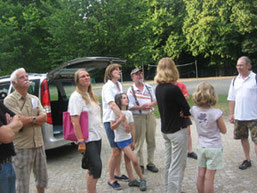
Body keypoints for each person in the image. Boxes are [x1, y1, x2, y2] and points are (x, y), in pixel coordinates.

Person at [4, 68, 48, 193]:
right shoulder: (9, 101)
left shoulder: (34, 98)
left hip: (38, 144)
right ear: (14, 83)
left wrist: (28, 120)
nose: (26, 79)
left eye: (26, 76)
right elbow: (18, 122)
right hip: (22, 146)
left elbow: (44, 117)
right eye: (22, 77)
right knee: (22, 183)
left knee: (42, 179)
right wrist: (35, 119)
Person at [154, 57, 190, 193]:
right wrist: (182, 110)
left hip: (166, 130)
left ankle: (170, 188)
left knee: (169, 163)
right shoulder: (174, 89)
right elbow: (186, 109)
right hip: (177, 131)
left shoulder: (158, 88)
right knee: (178, 165)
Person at [68, 69, 102, 193]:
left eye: (87, 75)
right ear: (77, 81)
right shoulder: (76, 97)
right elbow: (75, 122)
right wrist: (81, 141)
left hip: (97, 136)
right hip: (87, 139)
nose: (87, 77)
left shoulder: (90, 94)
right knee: (97, 168)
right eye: (83, 76)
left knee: (91, 167)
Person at [190, 82, 227, 193]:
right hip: (214, 147)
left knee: (201, 174)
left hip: (201, 147)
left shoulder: (194, 110)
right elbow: (224, 131)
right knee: (209, 177)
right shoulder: (216, 113)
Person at [110, 93, 147, 191]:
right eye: (123, 98)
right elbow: (112, 127)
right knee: (134, 160)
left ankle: (132, 180)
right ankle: (142, 178)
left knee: (128, 161)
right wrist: (120, 120)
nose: (126, 99)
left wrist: (133, 141)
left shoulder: (129, 113)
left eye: (126, 97)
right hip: (121, 141)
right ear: (119, 100)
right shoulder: (114, 113)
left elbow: (132, 128)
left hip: (129, 139)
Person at [102, 63, 129, 190]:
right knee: (115, 150)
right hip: (110, 121)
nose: (119, 71)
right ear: (110, 72)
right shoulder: (108, 87)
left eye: (120, 69)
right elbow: (112, 105)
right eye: (116, 69)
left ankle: (118, 173)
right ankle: (111, 179)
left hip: (119, 118)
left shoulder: (119, 85)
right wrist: (123, 120)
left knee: (119, 148)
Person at [227, 56, 257, 170]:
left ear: (248, 66)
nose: (238, 67)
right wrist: (231, 114)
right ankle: (247, 159)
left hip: (254, 116)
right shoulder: (235, 80)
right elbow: (231, 98)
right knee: (243, 138)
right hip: (239, 116)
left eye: (241, 65)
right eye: (237, 65)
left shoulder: (255, 78)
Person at [127, 68, 159, 174]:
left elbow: (155, 100)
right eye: (136, 74)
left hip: (150, 116)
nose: (139, 75)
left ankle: (150, 163)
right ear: (132, 77)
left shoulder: (149, 87)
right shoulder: (131, 90)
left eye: (140, 73)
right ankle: (139, 164)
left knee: (151, 140)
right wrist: (140, 107)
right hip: (138, 117)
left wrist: (151, 105)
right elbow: (129, 106)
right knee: (138, 142)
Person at [0, 102, 23, 193]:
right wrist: (10, 129)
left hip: (8, 163)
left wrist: (7, 128)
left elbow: (19, 120)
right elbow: (7, 136)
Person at [174, 81, 197, 160]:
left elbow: (187, 97)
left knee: (188, 132)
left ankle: (190, 151)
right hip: (173, 114)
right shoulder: (167, 86)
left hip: (183, 111)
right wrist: (181, 97)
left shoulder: (181, 85)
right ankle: (177, 152)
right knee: (175, 133)